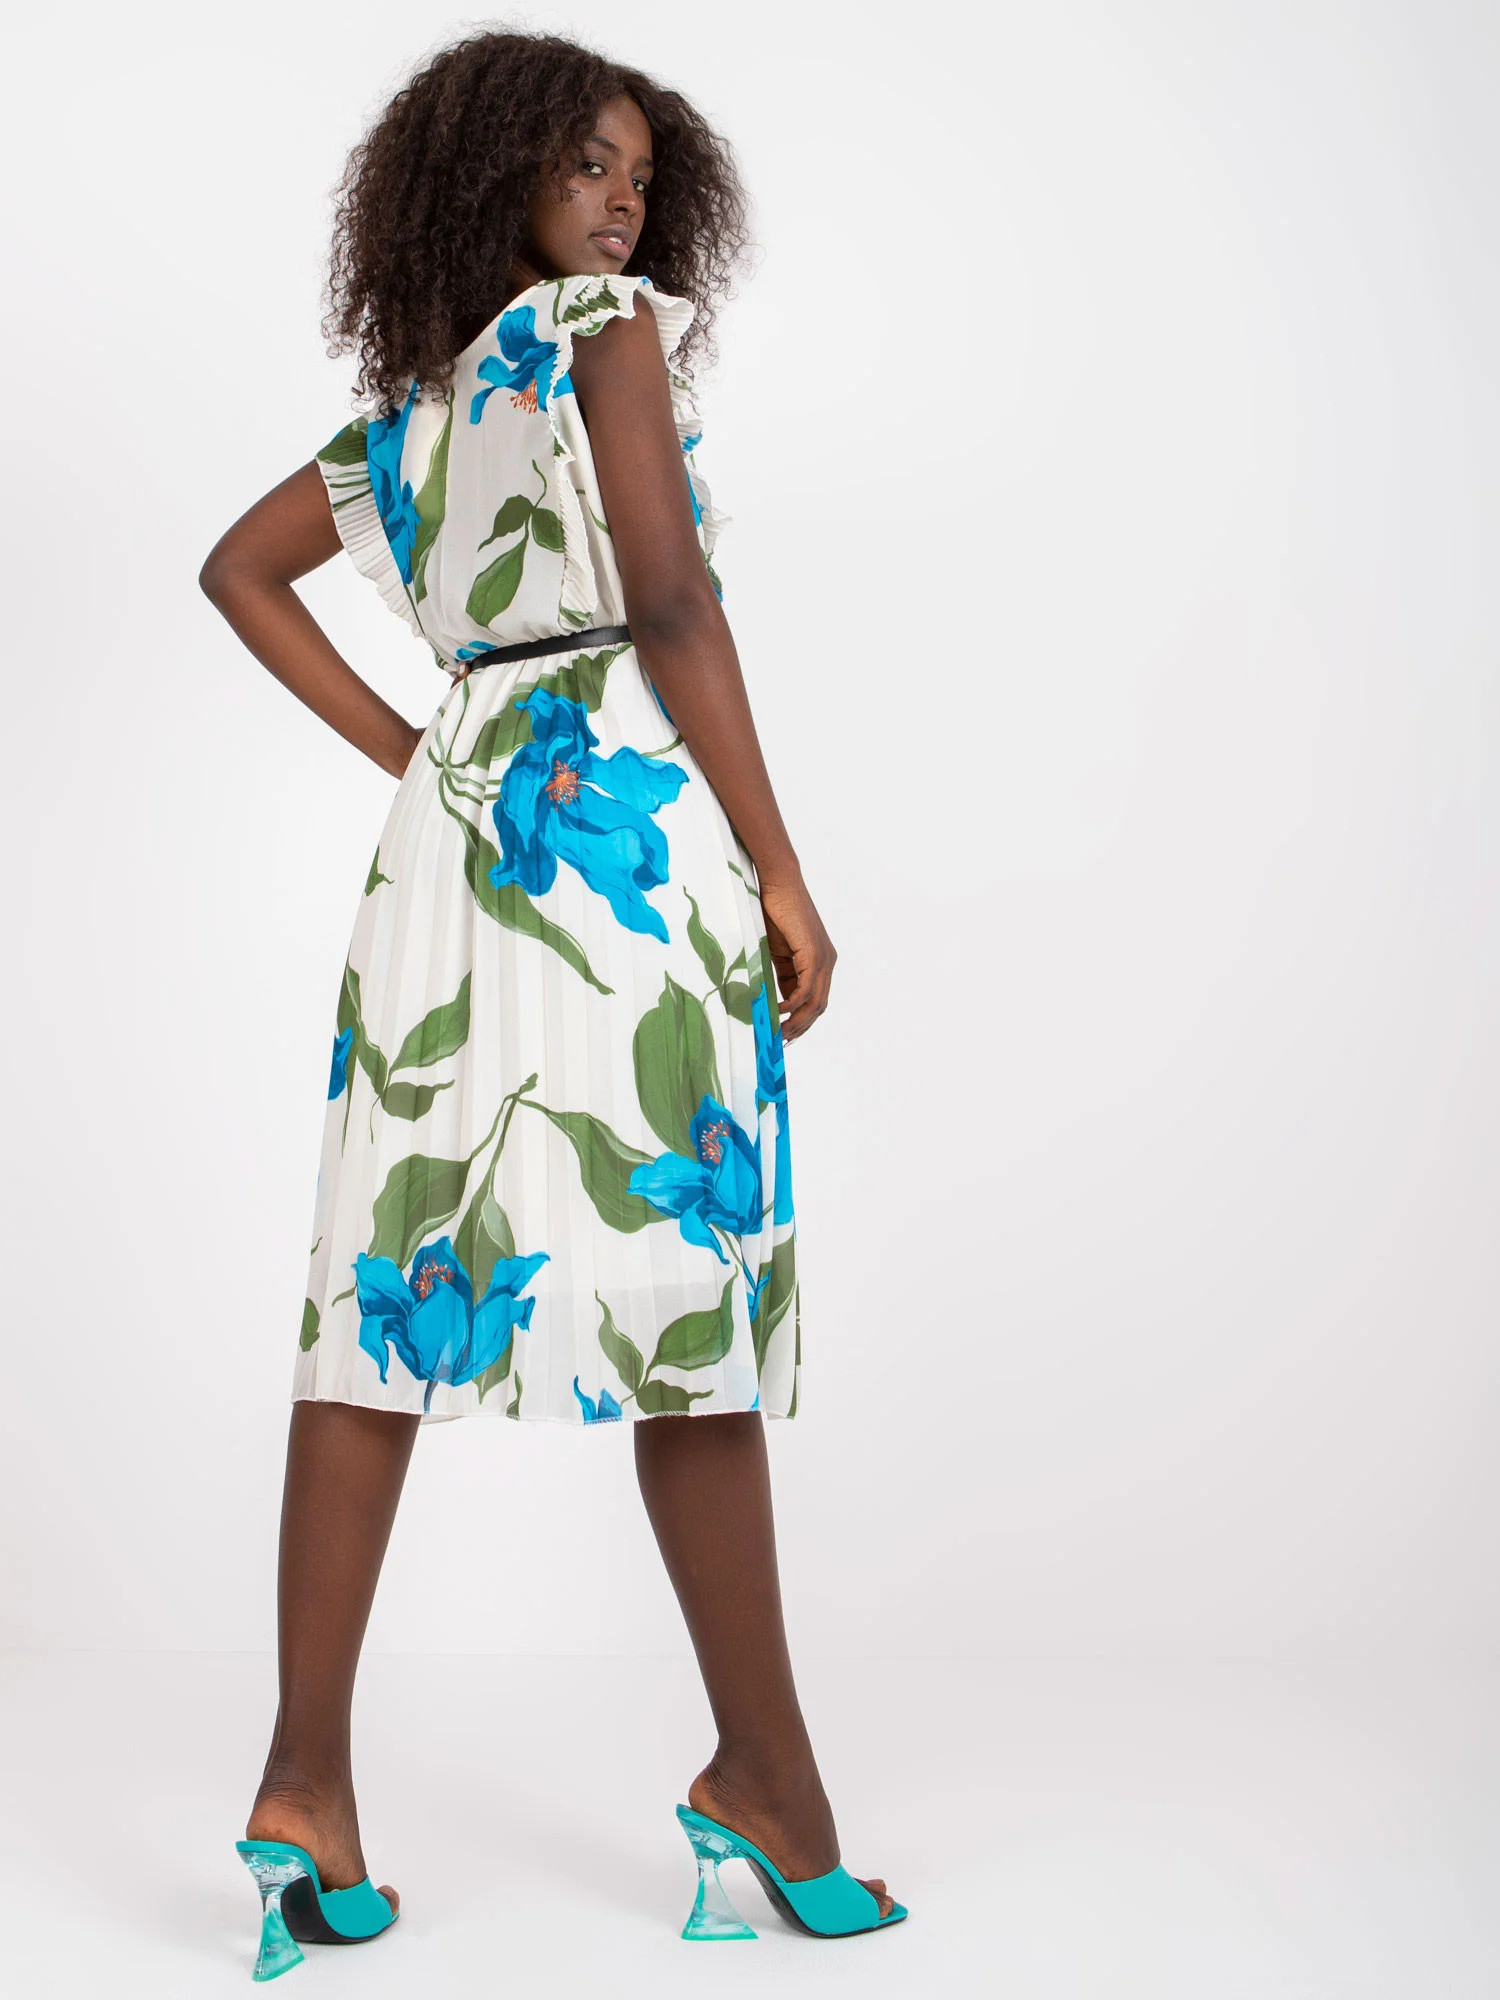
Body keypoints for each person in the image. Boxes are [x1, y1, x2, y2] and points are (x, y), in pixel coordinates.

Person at [199, 28, 904, 1977]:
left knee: (383, 1289)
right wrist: (782, 867)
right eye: (588, 165)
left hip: (456, 853)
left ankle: (303, 1787)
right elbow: (670, 606)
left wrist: (420, 755)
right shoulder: (600, 332)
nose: (621, 205)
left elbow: (243, 573)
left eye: (641, 181)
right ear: (495, 171)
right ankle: (770, 1782)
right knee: (692, 1297)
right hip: (621, 839)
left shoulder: (416, 415)